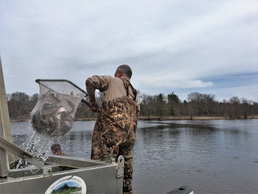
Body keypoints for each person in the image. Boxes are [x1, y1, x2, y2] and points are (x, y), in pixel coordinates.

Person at [86, 64, 139, 194]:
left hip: (110, 134)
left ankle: (100, 188)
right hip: (130, 135)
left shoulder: (112, 80)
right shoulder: (135, 93)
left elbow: (90, 81)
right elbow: (136, 115)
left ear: (119, 73)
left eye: (116, 73)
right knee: (125, 161)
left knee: (101, 160)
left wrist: (92, 101)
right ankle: (126, 190)